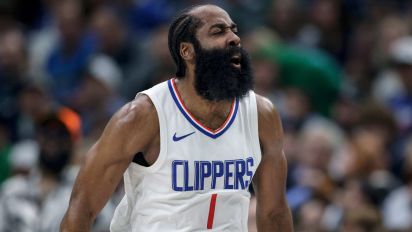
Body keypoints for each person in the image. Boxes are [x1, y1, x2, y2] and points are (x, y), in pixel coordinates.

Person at [61, 4, 292, 231]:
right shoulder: (143, 116)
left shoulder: (261, 115)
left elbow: (274, 213)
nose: (233, 38)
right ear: (187, 51)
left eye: (234, 30)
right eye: (218, 31)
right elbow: (82, 208)